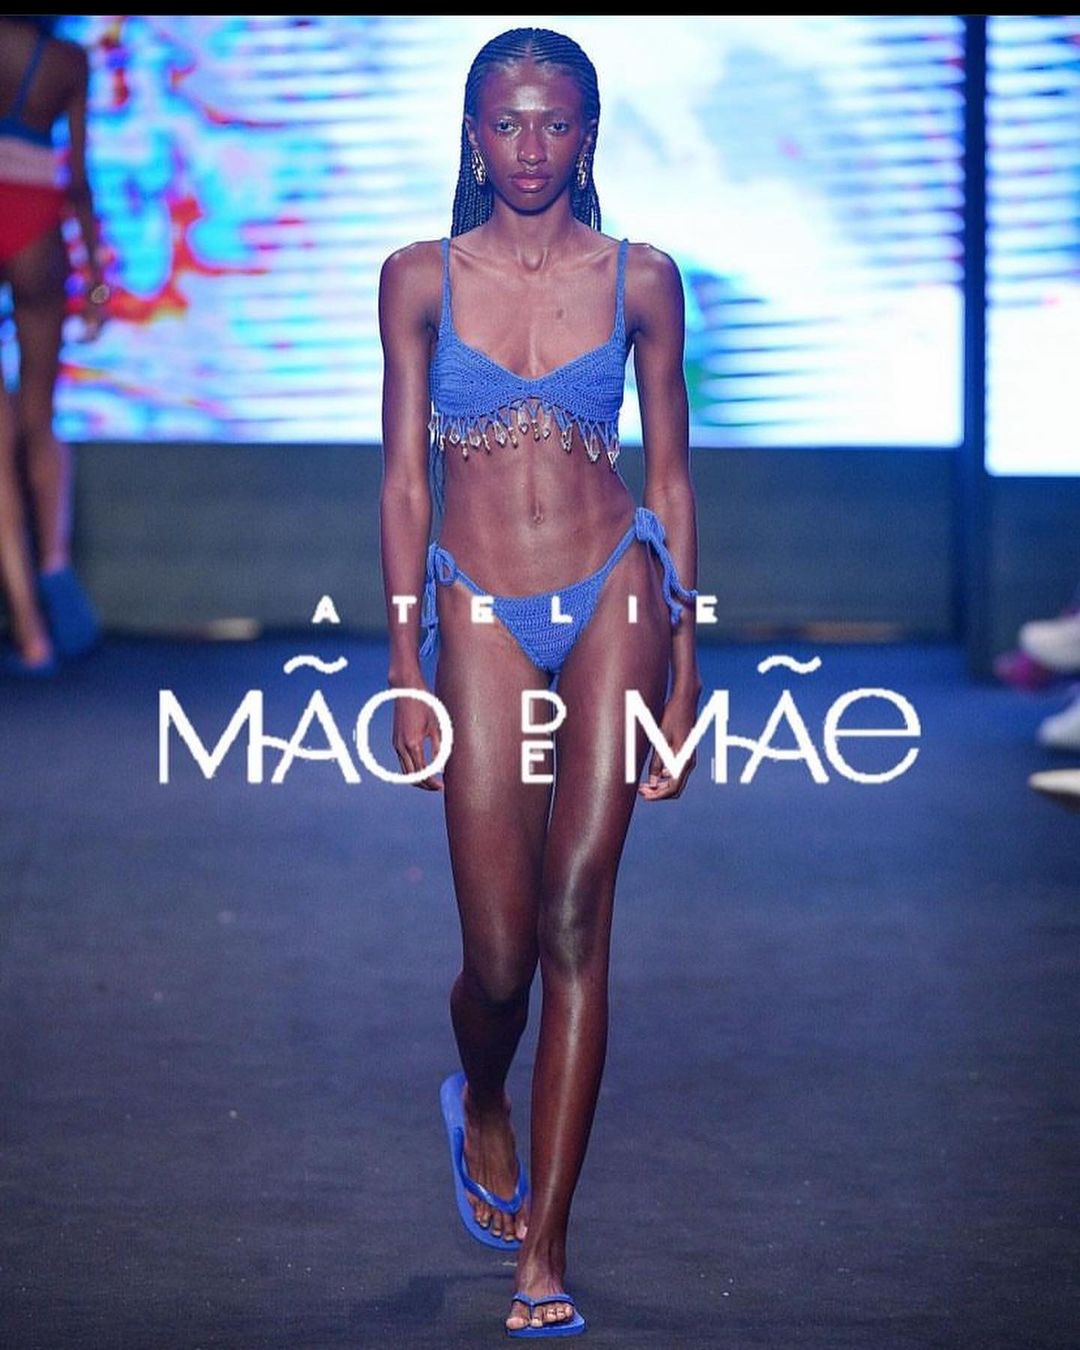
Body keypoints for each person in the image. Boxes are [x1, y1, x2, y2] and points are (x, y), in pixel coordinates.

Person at [378, 27, 701, 1338]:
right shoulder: (418, 278)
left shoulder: (642, 279)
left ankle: (546, 1253)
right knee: (500, 955)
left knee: (577, 914)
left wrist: (687, 668)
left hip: (616, 582)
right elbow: (405, 481)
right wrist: (402, 658)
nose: (530, 146)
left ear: (588, 133)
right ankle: (483, 1094)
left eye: (554, 123)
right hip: (478, 603)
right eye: (506, 122)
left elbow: (670, 475)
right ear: (473, 135)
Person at [0, 15, 105, 676]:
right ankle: (55, 564)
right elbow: (78, 180)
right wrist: (95, 275)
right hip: (37, 223)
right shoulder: (66, 60)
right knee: (40, 418)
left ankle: (31, 632)